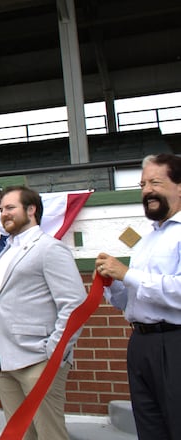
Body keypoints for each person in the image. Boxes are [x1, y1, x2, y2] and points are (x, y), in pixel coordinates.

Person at [0, 186, 86, 440]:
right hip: (5, 363)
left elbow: (74, 303)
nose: (4, 214)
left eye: (10, 207)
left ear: (31, 210)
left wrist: (54, 352)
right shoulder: (4, 253)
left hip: (39, 360)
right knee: (20, 435)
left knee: (50, 435)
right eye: (2, 209)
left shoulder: (50, 248)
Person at [96, 153, 181, 439]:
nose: (147, 191)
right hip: (141, 344)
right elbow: (129, 301)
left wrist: (127, 274)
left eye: (155, 183)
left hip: (175, 342)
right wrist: (112, 283)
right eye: (143, 184)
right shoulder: (147, 240)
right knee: (149, 429)